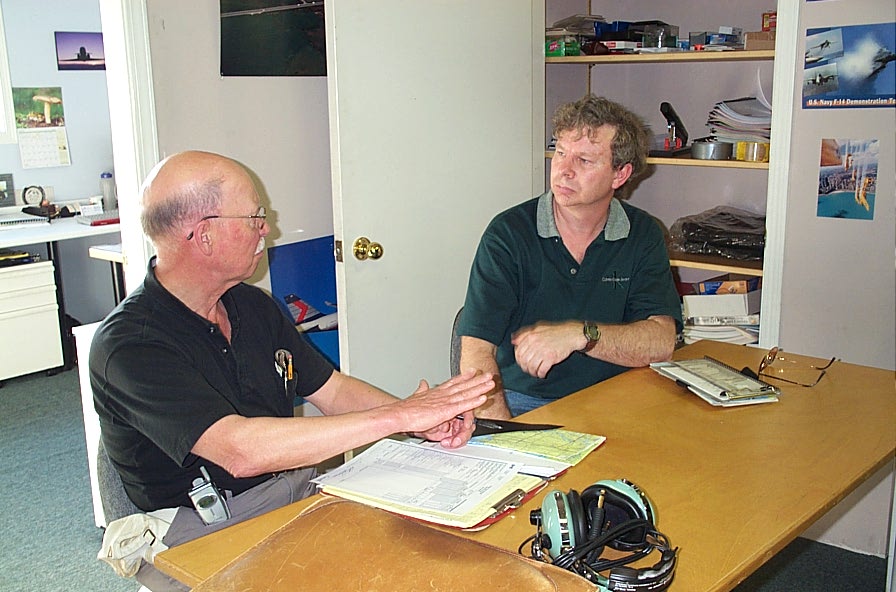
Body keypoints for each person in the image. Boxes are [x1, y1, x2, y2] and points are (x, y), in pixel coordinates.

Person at [90, 150, 494, 590]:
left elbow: (332, 390)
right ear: (204, 235)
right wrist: (399, 417)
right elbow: (240, 452)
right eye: (254, 217)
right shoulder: (130, 345)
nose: (266, 229)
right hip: (199, 531)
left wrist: (420, 420)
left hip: (294, 493)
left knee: (438, 553)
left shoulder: (252, 305)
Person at [457, 95, 682, 418]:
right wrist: (504, 436)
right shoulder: (508, 234)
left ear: (620, 175)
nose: (564, 170)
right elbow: (476, 354)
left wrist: (581, 335)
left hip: (615, 400)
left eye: (584, 160)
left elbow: (661, 342)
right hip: (522, 401)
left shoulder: (642, 233)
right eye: (561, 153)